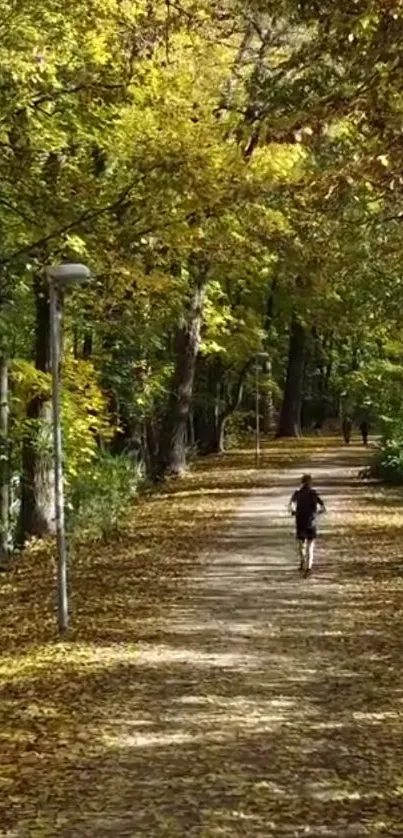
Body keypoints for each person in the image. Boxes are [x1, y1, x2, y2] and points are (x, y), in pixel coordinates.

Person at [289, 474, 326, 577]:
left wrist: (294, 512)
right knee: (310, 546)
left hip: (300, 521)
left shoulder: (297, 493)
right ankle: (308, 567)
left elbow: (291, 505)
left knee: (301, 544)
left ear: (301, 482)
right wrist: (317, 513)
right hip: (312, 522)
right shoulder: (313, 493)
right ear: (310, 483)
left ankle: (302, 562)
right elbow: (323, 507)